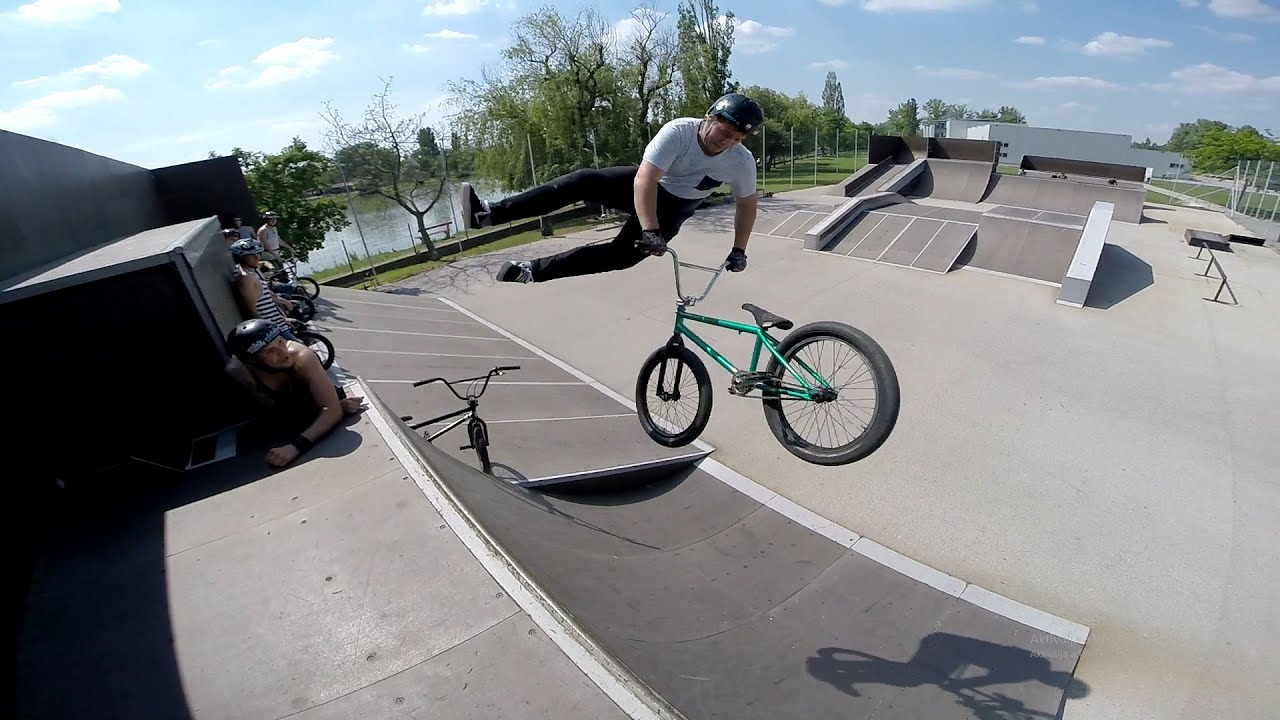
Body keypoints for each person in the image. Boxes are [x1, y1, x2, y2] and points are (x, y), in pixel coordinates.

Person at [461, 92, 764, 284]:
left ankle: (531, 271)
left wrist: (739, 250)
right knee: (583, 181)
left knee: (622, 257)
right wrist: (649, 228)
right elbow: (645, 179)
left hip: (675, 209)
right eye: (724, 133)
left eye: (736, 139)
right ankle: (488, 214)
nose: (726, 143)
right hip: (647, 187)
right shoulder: (679, 132)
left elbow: (747, 206)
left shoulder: (740, 161)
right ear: (709, 117)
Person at [225, 318, 366, 468]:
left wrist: (295, 447)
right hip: (282, 415)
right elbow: (271, 420)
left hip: (304, 404)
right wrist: (333, 409)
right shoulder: (240, 374)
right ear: (252, 361)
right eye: (269, 351)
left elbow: (331, 411)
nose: (282, 352)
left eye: (280, 341)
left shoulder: (301, 356)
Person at [229, 238, 298, 342]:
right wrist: (269, 332)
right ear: (241, 257)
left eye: (258, 253)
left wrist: (282, 318)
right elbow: (252, 311)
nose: (257, 257)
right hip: (274, 331)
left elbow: (264, 301)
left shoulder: (252, 272)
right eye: (251, 255)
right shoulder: (246, 279)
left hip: (278, 323)